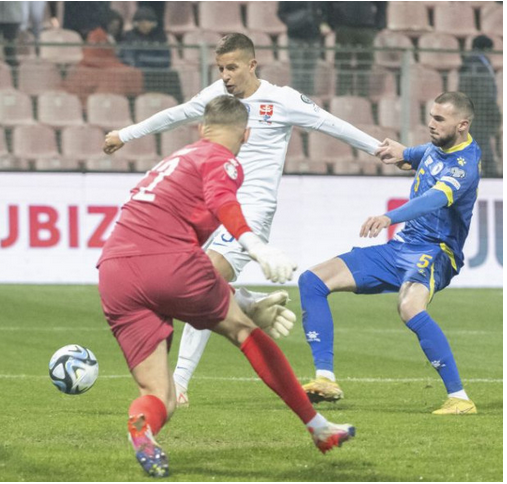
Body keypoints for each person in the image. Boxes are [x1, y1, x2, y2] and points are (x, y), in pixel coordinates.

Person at [103, 33, 382, 407]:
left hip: (251, 209)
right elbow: (177, 114)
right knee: (195, 279)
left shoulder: (282, 100)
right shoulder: (217, 98)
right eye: (220, 68)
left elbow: (331, 124)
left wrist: (380, 149)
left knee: (208, 276)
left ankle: (181, 380)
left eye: (232, 67)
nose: (226, 76)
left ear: (253, 65)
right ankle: (242, 305)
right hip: (212, 207)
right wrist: (125, 134)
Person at [98, 95, 355, 478]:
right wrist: (257, 247)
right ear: (246, 134)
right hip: (167, 261)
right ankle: (318, 428)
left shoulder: (175, 159)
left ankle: (143, 428)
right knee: (244, 331)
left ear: (201, 128)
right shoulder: (223, 160)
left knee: (159, 396)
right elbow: (223, 203)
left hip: (114, 271)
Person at [301, 92, 480, 416]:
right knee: (312, 280)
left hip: (435, 251)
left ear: (462, 125)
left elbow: (435, 200)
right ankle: (325, 379)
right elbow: (410, 155)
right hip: (400, 248)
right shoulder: (435, 148)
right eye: (431, 115)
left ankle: (460, 398)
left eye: (440, 119)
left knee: (410, 307)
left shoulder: (465, 165)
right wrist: (397, 151)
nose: (431, 124)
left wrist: (389, 217)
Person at [458, 35, 501, 177]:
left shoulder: (479, 62)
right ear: (486, 48)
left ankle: (482, 171)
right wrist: (491, 108)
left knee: (479, 141)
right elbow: (481, 89)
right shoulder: (473, 63)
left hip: (481, 110)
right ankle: (491, 173)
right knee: (481, 142)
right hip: (478, 110)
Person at [120, 6, 182, 101]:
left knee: (172, 75)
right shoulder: (129, 37)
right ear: (136, 23)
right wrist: (148, 61)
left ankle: (178, 105)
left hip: (158, 73)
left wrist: (143, 59)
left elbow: (166, 60)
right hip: (139, 73)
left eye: (148, 22)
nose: (145, 25)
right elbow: (130, 60)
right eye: (142, 22)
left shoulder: (160, 37)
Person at [325, 1, 387, 97]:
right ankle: (342, 95)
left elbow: (382, 4)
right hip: (343, 26)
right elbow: (328, 4)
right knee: (343, 62)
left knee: (365, 64)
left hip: (367, 27)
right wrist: (332, 22)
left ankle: (363, 96)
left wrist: (380, 24)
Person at [277, 1, 329, 96]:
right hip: (295, 37)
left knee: (310, 72)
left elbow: (326, 10)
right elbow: (281, 14)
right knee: (297, 72)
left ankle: (310, 100)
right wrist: (293, 22)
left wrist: (319, 21)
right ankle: (296, 100)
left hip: (314, 36)